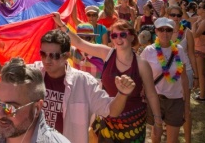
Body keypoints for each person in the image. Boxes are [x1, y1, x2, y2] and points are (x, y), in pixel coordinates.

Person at [0, 22, 136, 143]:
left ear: (66, 56)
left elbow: (111, 110)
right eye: (43, 54)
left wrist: (122, 93)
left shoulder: (84, 83)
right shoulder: (32, 74)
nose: (47, 60)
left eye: (54, 56)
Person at [53, 15, 163, 143]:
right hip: (108, 118)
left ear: (132, 36)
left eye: (123, 34)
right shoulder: (107, 53)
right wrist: (61, 24)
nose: (118, 39)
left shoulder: (141, 64)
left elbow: (151, 94)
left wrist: (158, 122)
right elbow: (79, 43)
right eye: (114, 36)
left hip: (133, 122)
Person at [141, 17, 190, 143]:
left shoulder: (179, 50)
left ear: (173, 32)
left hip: (175, 99)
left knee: (172, 140)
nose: (165, 33)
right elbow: (141, 74)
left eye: (168, 30)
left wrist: (186, 104)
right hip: (155, 99)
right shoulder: (149, 51)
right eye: (161, 30)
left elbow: (183, 78)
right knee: (156, 135)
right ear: (156, 32)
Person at [166, 6, 197, 143]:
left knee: (186, 108)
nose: (176, 18)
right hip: (167, 73)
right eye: (173, 15)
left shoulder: (187, 32)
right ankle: (171, 136)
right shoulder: (163, 32)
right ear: (168, 16)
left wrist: (196, 75)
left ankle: (188, 140)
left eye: (179, 15)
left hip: (186, 71)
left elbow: (191, 54)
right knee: (169, 106)